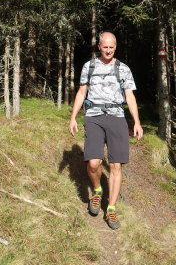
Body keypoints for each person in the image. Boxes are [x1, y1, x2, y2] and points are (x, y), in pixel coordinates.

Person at [68, 31, 144, 229]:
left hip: (117, 118)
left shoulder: (123, 69)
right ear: (99, 46)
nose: (108, 50)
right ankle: (97, 190)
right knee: (94, 163)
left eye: (112, 47)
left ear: (115, 47)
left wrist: (136, 122)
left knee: (116, 166)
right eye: (105, 47)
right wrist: (73, 117)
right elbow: (81, 92)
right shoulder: (89, 66)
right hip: (93, 116)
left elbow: (130, 97)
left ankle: (111, 208)